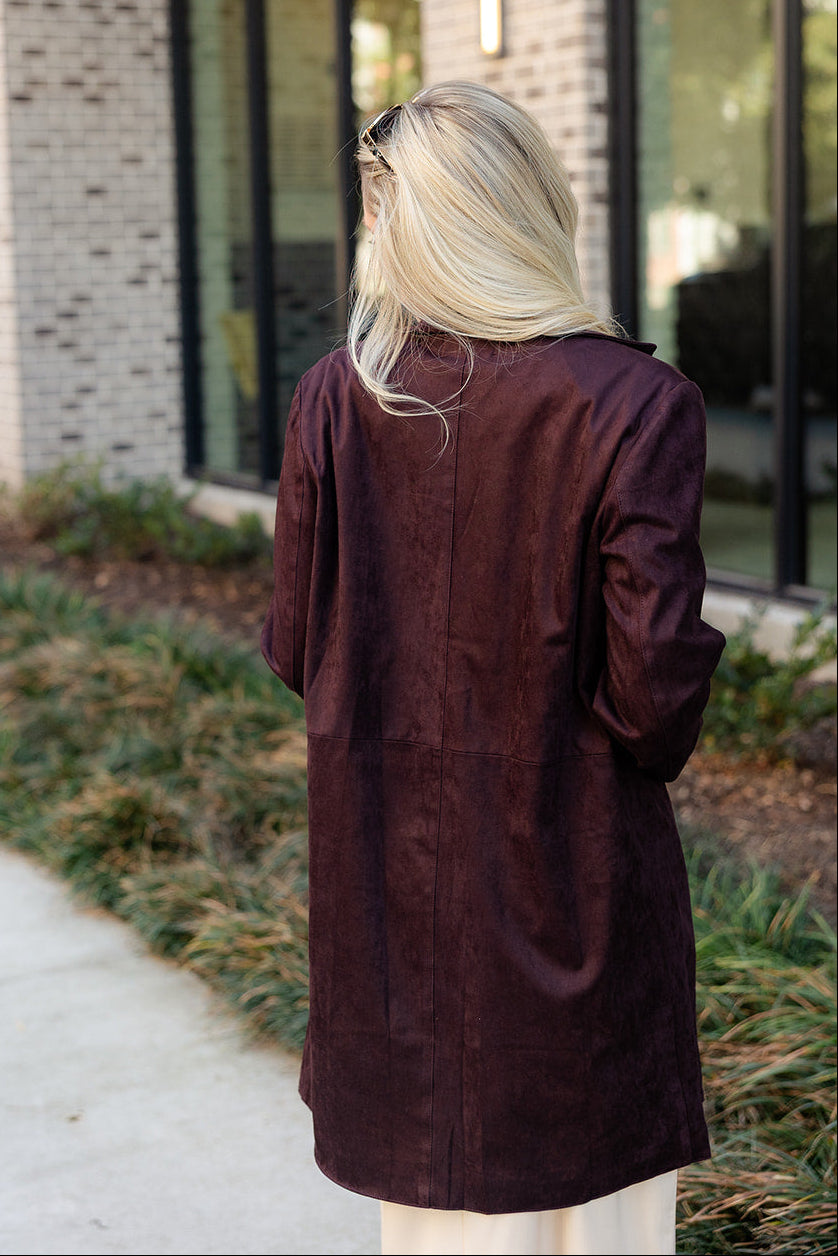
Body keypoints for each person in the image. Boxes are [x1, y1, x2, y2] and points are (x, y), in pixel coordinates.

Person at [261, 80, 726, 1256]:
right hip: (575, 926)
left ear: (404, 220)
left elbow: (294, 648)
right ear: (530, 210)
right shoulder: (631, 403)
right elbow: (651, 701)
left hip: (391, 932)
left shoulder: (335, 398)